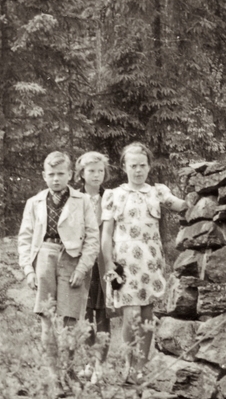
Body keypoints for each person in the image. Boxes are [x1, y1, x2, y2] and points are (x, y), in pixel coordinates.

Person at [100, 142, 186, 382]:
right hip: (123, 263)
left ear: (149, 167)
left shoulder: (158, 192)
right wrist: (108, 263)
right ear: (124, 167)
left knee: (147, 314)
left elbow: (181, 206)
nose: (138, 170)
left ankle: (141, 367)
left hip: (151, 261)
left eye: (142, 165)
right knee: (130, 315)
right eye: (133, 166)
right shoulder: (113, 195)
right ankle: (128, 365)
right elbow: (106, 235)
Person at [17, 152, 100, 383]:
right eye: (51, 174)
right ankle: (53, 373)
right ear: (44, 175)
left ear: (70, 175)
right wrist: (28, 269)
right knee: (46, 317)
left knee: (70, 320)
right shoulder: (34, 202)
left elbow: (93, 237)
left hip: (72, 260)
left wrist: (82, 268)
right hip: (44, 258)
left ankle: (67, 369)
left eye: (61, 174)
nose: (56, 179)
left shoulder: (82, 201)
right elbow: (25, 238)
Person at [76, 151, 112, 375]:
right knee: (85, 313)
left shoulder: (110, 197)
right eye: (91, 171)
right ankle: (90, 362)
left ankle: (101, 364)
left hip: (105, 261)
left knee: (104, 314)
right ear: (82, 173)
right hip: (82, 261)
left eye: (100, 171)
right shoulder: (74, 198)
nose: (96, 175)